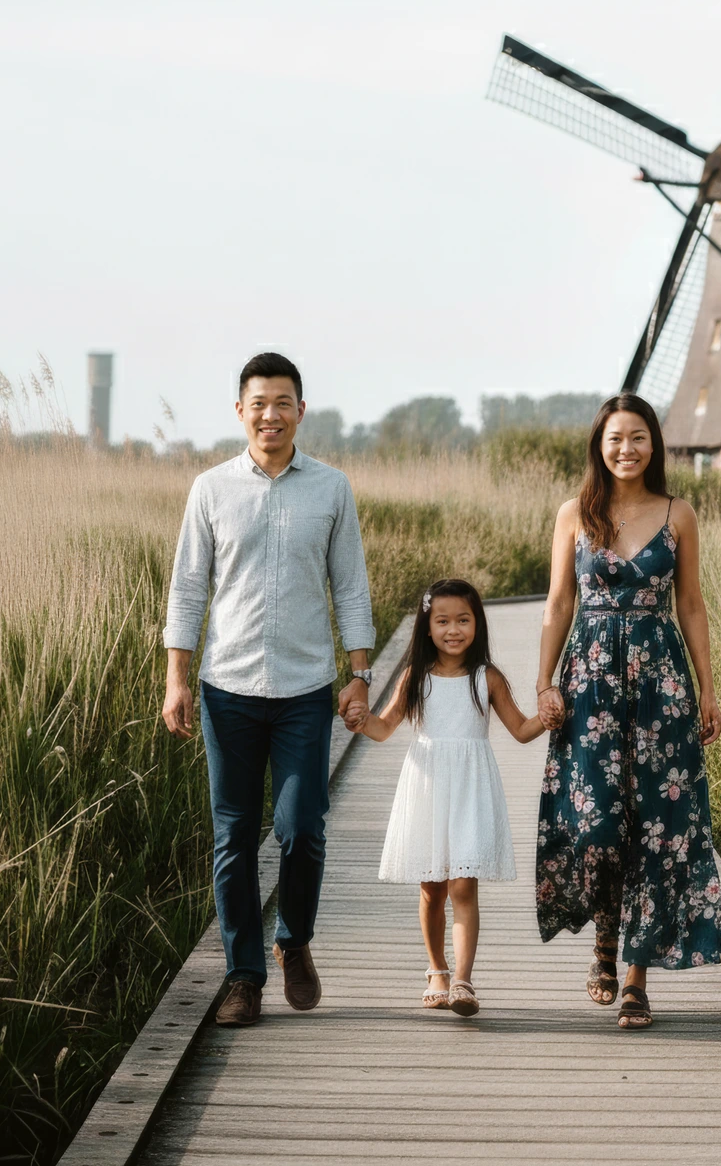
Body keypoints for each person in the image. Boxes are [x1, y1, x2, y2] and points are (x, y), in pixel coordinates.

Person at [161, 353, 375, 1028]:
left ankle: (294, 941)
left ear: (300, 411)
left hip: (306, 687)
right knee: (234, 835)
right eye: (258, 403)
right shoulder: (211, 488)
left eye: (283, 403)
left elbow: (351, 584)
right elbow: (188, 586)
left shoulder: (332, 489)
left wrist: (361, 675)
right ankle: (243, 977)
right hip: (227, 686)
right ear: (240, 411)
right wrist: (176, 677)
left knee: (301, 828)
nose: (270, 415)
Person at [533, 393, 721, 1028]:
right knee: (594, 822)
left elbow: (691, 604)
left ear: (654, 444)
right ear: (599, 445)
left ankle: (637, 978)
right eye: (615, 438)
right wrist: (544, 680)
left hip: (660, 683)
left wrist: (708, 687)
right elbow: (559, 602)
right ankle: (603, 941)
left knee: (655, 824)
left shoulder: (679, 514)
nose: (626, 449)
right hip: (588, 683)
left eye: (638, 437)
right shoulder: (573, 514)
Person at [354, 578, 546, 1017]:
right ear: (427, 626)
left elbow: (520, 730)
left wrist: (550, 717)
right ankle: (436, 969)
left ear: (477, 622)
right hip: (428, 788)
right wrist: (359, 721)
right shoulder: (415, 677)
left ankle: (463, 978)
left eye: (463, 619)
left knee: (463, 884)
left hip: (470, 791)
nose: (453, 629)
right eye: (442, 621)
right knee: (431, 888)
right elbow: (383, 728)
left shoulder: (487, 677)